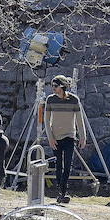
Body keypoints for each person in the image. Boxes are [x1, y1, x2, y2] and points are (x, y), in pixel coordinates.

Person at [39, 75, 87, 203]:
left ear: (62, 86)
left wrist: (83, 137)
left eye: (55, 86)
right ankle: (60, 192)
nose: (53, 88)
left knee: (67, 165)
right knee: (59, 165)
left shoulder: (74, 100)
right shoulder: (50, 100)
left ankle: (63, 192)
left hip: (70, 136)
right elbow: (46, 120)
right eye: (52, 86)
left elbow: (79, 120)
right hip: (55, 137)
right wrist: (50, 138)